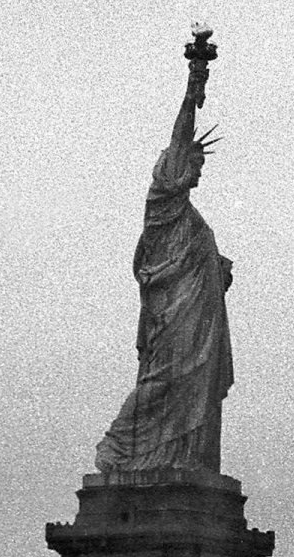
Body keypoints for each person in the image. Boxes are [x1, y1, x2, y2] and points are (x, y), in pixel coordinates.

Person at [95, 27, 234, 474]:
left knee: (191, 389)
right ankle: (121, 451)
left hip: (196, 322)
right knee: (164, 383)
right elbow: (180, 137)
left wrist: (217, 269)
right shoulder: (164, 203)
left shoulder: (190, 220)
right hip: (173, 321)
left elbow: (198, 266)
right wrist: (196, 80)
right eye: (193, 163)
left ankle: (181, 462)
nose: (196, 170)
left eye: (197, 165)